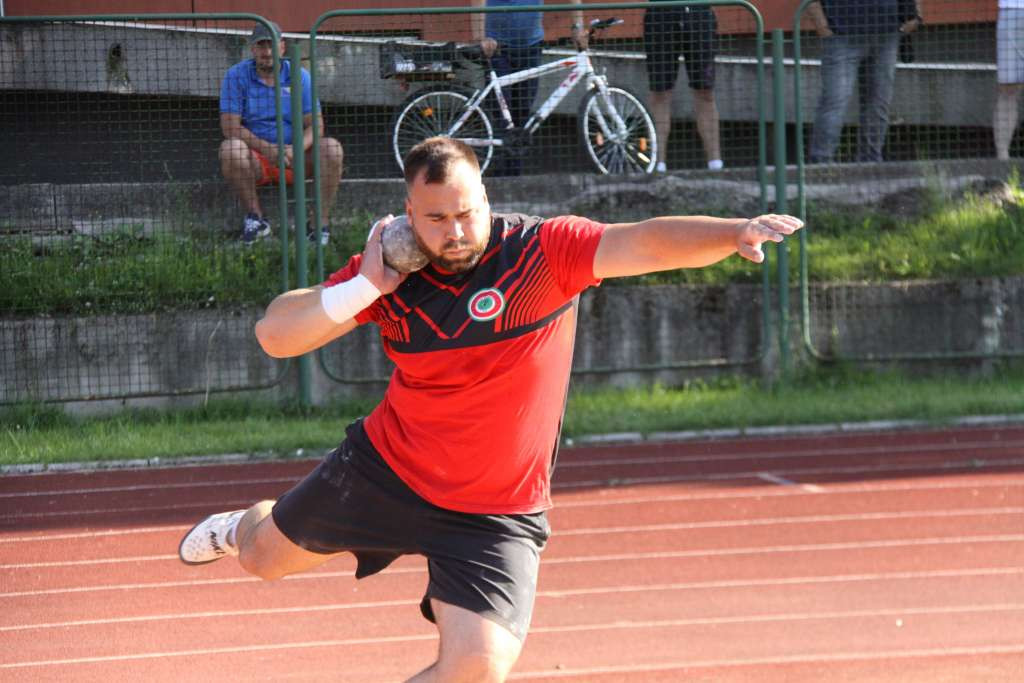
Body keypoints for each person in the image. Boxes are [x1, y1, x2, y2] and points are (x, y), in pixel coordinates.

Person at [178, 136, 802, 681]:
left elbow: (641, 242)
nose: (455, 232)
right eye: (436, 218)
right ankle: (245, 524)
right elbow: (276, 334)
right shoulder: (390, 275)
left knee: (478, 667)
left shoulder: (542, 253)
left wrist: (731, 234)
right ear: (407, 218)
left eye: (467, 213)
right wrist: (365, 286)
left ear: (486, 197)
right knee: (262, 561)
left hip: (495, 507)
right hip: (387, 471)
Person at [219, 21, 344, 245]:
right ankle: (256, 220)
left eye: (272, 45)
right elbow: (229, 126)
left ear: (282, 47)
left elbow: (315, 124)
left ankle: (318, 225)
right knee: (230, 149)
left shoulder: (300, 76)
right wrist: (269, 149)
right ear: (252, 49)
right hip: (257, 158)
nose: (267, 52)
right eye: (261, 46)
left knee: (332, 148)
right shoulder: (235, 76)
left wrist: (295, 149)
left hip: (294, 157)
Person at [470, 0, 588, 175]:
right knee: (502, 117)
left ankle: (514, 178)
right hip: (496, 47)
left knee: (522, 115)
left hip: (531, 46)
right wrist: (480, 37)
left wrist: (578, 27)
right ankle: (502, 180)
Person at [806, 0, 921, 164]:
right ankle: (821, 163)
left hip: (887, 35)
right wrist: (823, 27)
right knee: (835, 102)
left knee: (878, 103)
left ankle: (871, 162)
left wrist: (915, 14)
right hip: (841, 36)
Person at [643, 1, 723, 173]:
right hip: (661, 15)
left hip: (699, 12)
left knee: (705, 91)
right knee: (660, 92)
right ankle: (658, 165)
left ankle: (715, 165)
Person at [995, 1, 1024, 160]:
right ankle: (1003, 162)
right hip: (1013, 9)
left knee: (1008, 92)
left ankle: (1002, 159)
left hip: (1012, 12)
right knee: (1008, 90)